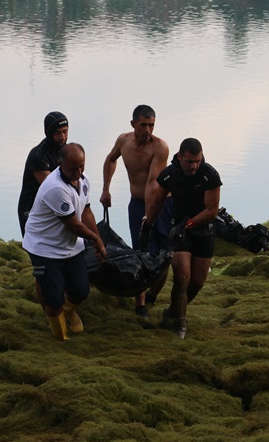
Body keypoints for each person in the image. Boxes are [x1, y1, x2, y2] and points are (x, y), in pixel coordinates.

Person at [22, 143, 106, 341]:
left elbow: (85, 211)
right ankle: (60, 337)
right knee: (53, 297)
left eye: (82, 166)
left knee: (80, 290)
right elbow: (73, 225)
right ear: (60, 164)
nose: (78, 172)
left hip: (70, 246)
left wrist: (99, 238)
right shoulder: (54, 188)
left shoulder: (83, 181)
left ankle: (67, 311)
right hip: (45, 247)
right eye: (73, 168)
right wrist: (95, 240)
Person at [142, 137, 222, 339]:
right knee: (182, 277)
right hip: (179, 230)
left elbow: (212, 211)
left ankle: (173, 311)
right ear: (180, 157)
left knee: (197, 282)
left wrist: (189, 225)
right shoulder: (170, 174)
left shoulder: (209, 175)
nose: (194, 166)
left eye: (198, 161)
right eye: (189, 162)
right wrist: (147, 225)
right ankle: (180, 324)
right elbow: (158, 201)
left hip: (203, 229)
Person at [100, 104, 173, 319]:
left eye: (151, 125)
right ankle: (140, 304)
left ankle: (152, 295)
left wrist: (148, 218)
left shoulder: (160, 147)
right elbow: (110, 159)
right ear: (133, 124)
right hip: (137, 204)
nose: (148, 130)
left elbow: (152, 184)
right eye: (143, 125)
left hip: (161, 205)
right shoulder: (123, 141)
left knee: (163, 254)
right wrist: (106, 189)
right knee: (139, 252)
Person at [17, 111, 69, 237]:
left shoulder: (66, 152)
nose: (62, 137)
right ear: (49, 133)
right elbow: (53, 188)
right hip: (31, 209)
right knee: (35, 249)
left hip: (52, 207)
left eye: (65, 131)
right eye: (58, 133)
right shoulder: (38, 156)